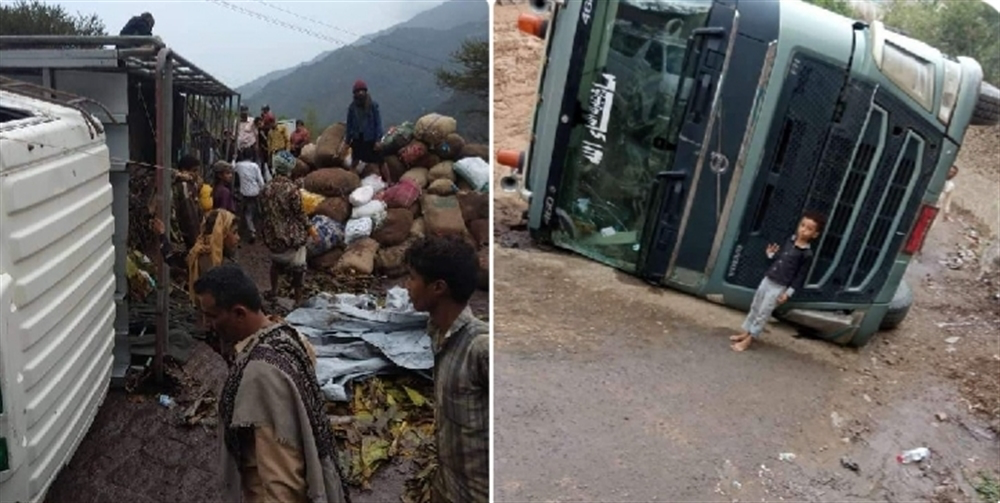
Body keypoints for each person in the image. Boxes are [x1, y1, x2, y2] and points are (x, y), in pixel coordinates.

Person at [191, 264, 349, 503]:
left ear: (239, 313)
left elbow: (280, 480)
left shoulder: (260, 376)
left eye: (212, 316)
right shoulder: (288, 335)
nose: (206, 324)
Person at [402, 236, 489, 503]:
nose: (406, 286)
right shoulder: (437, 332)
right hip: (447, 485)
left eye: (412, 278)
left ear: (438, 287)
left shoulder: (481, 348)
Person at [730, 210, 825, 352]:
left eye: (809, 229)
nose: (804, 230)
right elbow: (780, 258)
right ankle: (746, 332)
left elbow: (800, 276)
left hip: (779, 286)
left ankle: (749, 339)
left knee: (763, 313)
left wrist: (788, 293)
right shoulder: (790, 241)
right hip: (768, 279)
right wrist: (771, 255)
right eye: (802, 225)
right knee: (756, 306)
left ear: (815, 234)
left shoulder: (806, 254)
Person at [259, 151, 316, 305]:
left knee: (276, 265)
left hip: (272, 237)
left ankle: (273, 291)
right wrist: (310, 228)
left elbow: (262, 212)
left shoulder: (266, 188)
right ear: (290, 169)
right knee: (299, 267)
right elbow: (300, 213)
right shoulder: (292, 190)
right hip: (292, 237)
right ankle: (297, 300)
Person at [345, 80, 384, 172]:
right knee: (355, 159)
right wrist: (347, 141)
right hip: (358, 138)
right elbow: (349, 124)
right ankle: (351, 177)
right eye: (358, 91)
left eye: (362, 91)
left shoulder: (373, 105)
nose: (360, 93)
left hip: (370, 138)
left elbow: (378, 123)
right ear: (355, 94)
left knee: (380, 160)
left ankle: (388, 180)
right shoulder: (352, 108)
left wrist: (378, 139)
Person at [233, 151, 267, 244]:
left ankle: (252, 231)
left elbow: (231, 167)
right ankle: (263, 230)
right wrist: (263, 190)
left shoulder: (239, 165)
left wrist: (233, 159)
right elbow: (260, 180)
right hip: (255, 191)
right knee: (259, 212)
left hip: (245, 193)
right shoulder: (254, 166)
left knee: (247, 213)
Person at [173, 154, 204, 250]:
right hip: (188, 233)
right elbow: (190, 214)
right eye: (194, 171)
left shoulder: (190, 185)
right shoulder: (184, 186)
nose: (196, 174)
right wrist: (196, 237)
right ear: (184, 170)